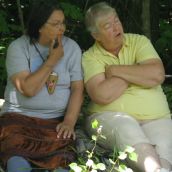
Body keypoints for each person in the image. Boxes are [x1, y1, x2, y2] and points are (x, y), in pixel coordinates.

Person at [82, 2, 172, 172]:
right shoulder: (90, 57)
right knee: (127, 127)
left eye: (116, 21)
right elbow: (102, 94)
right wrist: (138, 73)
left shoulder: (139, 41)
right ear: (96, 35)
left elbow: (157, 75)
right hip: (109, 117)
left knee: (165, 151)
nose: (116, 27)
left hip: (157, 117)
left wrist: (116, 71)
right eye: (108, 25)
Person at [0, 0, 83, 171]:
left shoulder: (72, 48)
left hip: (55, 122)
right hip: (18, 118)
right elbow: (28, 89)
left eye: (63, 23)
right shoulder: (19, 47)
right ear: (39, 26)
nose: (62, 28)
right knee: (14, 147)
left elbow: (77, 88)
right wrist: (52, 60)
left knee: (64, 152)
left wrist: (69, 121)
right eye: (55, 24)